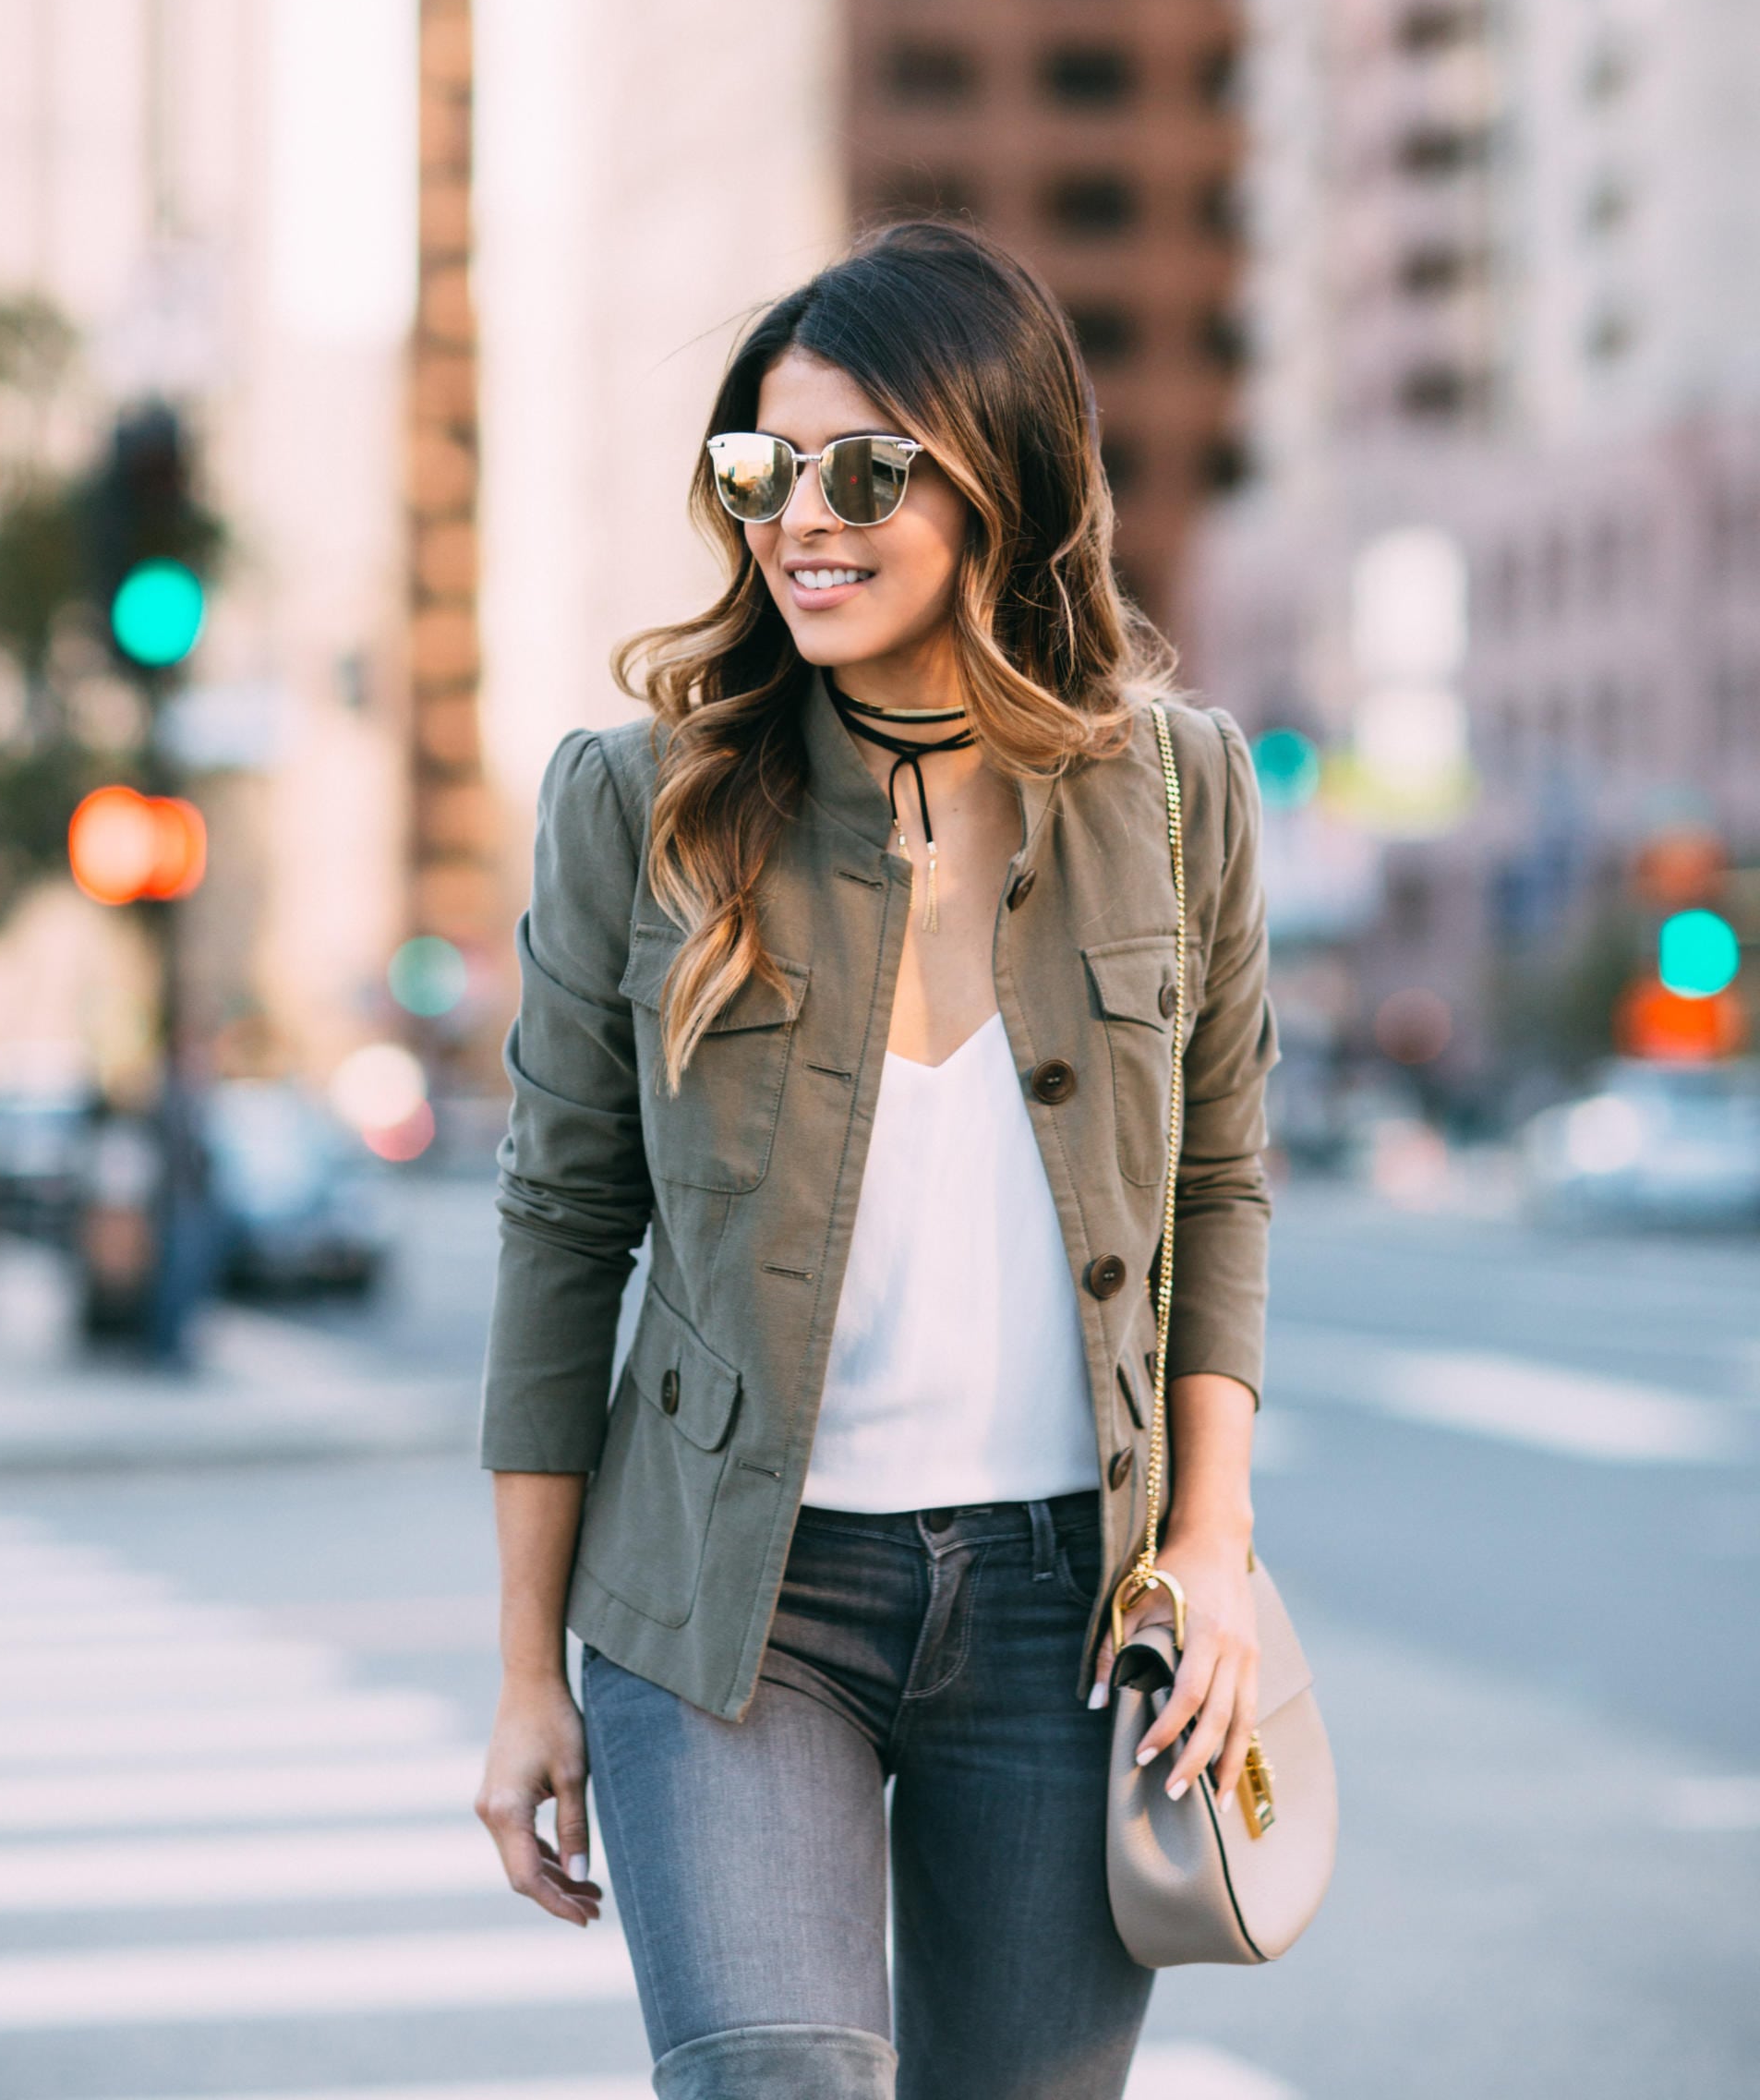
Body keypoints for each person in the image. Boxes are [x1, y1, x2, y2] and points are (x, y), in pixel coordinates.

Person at [476, 223, 1279, 2100]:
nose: (799, 520)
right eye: (761, 470)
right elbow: (559, 1231)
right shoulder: (640, 802)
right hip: (733, 1612)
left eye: (864, 470)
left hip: (1064, 1613)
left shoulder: (1177, 794)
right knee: (780, 2080)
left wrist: (1213, 1550)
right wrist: (527, 1676)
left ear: (997, 478)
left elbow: (1218, 1189)